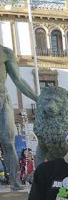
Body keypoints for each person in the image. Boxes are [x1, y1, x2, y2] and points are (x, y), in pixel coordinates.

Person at [0, 45, 38, 190]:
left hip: (3, 100)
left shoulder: (5, 52)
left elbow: (18, 80)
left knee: (8, 142)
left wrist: (37, 98)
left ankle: (14, 182)